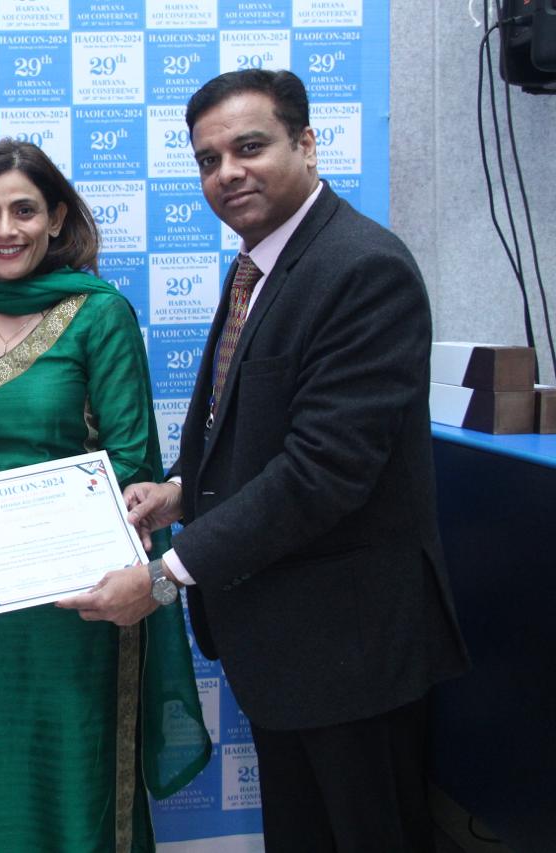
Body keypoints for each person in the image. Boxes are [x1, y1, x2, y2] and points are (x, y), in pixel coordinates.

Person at [57, 70, 469, 852]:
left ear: (306, 144)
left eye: (250, 147)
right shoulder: (262, 263)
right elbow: (261, 434)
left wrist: (164, 576)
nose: (228, 173)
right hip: (286, 646)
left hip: (352, 649)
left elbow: (322, 472)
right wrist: (182, 493)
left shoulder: (360, 267)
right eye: (208, 160)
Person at [0, 139, 210, 853]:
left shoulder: (99, 314)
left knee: (78, 779)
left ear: (56, 219)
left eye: (24, 210)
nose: (4, 230)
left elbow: (132, 462)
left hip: (79, 598)